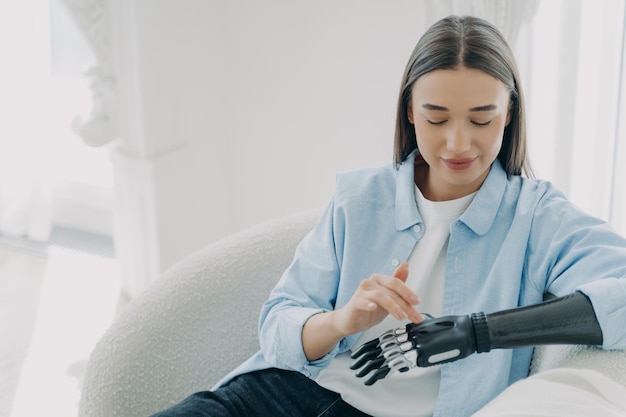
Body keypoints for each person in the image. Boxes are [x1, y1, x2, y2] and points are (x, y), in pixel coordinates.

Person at [151, 15, 626, 417]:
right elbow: (278, 325)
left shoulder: (538, 217)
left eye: (481, 119)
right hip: (286, 394)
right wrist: (342, 321)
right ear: (410, 114)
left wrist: (475, 332)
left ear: (509, 114)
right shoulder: (358, 197)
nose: (458, 143)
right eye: (437, 118)